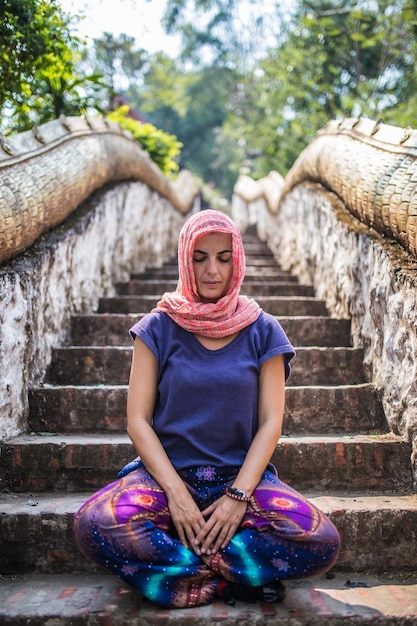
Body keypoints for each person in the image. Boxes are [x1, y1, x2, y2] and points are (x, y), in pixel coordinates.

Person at [73, 209, 340, 609]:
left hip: (239, 483)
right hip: (165, 482)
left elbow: (270, 423)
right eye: (199, 258)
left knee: (320, 539)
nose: (212, 270)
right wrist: (177, 495)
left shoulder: (263, 329)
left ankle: (181, 567)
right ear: (185, 260)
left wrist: (237, 496)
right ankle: (233, 580)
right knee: (95, 524)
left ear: (237, 260)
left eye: (223, 257)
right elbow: (138, 421)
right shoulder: (157, 328)